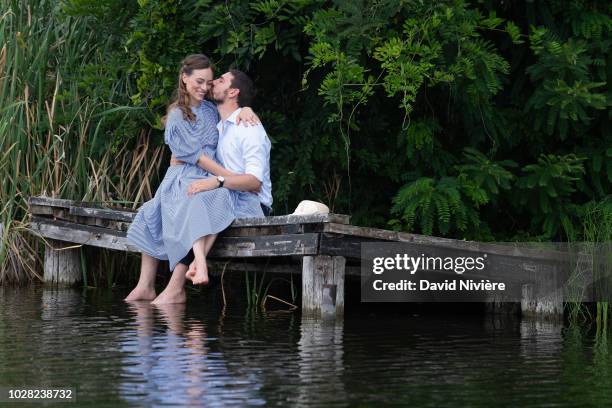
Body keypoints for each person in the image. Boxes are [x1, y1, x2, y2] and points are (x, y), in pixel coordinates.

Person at [125, 55, 262, 304]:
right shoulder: (178, 115)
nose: (204, 87)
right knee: (152, 212)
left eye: (209, 82)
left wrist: (247, 109)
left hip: (209, 177)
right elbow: (198, 158)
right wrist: (231, 177)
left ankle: (174, 285)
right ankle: (145, 285)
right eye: (199, 81)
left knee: (194, 206)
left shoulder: (210, 109)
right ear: (184, 78)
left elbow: (232, 109)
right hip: (187, 175)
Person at [180, 69, 273, 283]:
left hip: (254, 204)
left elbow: (254, 182)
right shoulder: (219, 125)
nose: (212, 82)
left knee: (207, 198)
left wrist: (218, 181)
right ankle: (194, 267)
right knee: (188, 198)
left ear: (233, 92)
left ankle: (189, 274)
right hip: (229, 197)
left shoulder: (248, 128)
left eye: (220, 80)